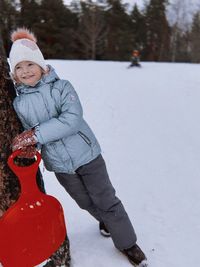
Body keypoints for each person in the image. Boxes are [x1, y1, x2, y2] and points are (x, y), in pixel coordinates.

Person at [9, 28, 147, 267]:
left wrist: (36, 134)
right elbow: (33, 131)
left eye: (30, 64)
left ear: (41, 65)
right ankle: (106, 221)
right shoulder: (19, 102)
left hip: (88, 156)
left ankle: (127, 243)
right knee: (84, 202)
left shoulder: (62, 87)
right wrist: (33, 143)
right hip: (60, 164)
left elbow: (71, 119)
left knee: (106, 200)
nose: (25, 71)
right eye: (19, 68)